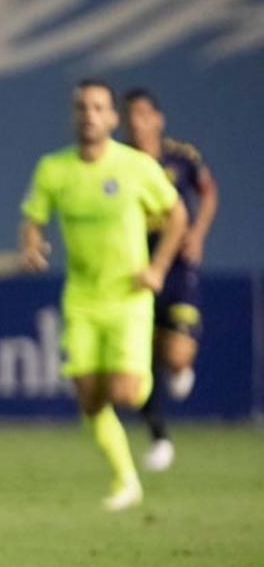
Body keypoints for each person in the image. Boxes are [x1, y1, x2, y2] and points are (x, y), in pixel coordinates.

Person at [20, 79, 187, 512]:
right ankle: (125, 479)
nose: (89, 115)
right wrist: (32, 245)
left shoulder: (135, 167)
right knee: (90, 397)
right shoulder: (53, 169)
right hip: (82, 297)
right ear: (74, 116)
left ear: (112, 118)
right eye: (82, 108)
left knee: (127, 394)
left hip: (128, 297)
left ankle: (145, 375)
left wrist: (158, 268)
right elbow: (33, 218)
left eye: (98, 108)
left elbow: (177, 216)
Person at [122, 88, 219, 472]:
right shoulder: (118, 162)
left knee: (175, 356)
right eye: (130, 115)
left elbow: (208, 193)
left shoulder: (182, 158)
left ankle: (179, 366)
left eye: (144, 114)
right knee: (139, 362)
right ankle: (159, 436)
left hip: (176, 267)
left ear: (158, 119)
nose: (137, 121)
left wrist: (197, 233)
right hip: (135, 268)